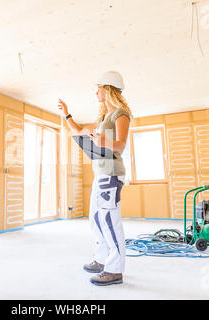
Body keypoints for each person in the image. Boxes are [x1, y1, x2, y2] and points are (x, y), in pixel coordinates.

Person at [58, 71, 133, 286]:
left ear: (108, 88)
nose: (95, 92)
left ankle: (115, 270)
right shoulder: (103, 118)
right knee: (96, 219)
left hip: (111, 173)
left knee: (110, 221)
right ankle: (102, 260)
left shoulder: (120, 114)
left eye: (98, 87)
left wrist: (102, 141)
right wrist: (67, 114)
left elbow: (121, 145)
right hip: (101, 173)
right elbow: (80, 130)